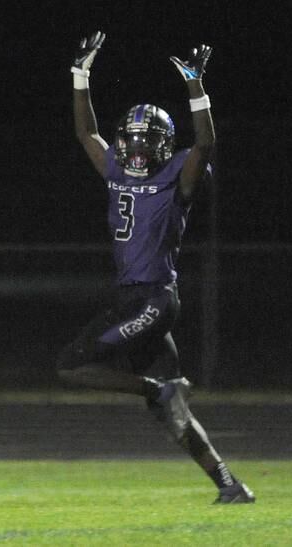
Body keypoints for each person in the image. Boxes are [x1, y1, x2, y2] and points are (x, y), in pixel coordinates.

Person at [59, 32, 254, 504]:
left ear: (166, 147)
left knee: (72, 365)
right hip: (136, 299)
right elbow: (86, 132)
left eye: (150, 143)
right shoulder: (116, 171)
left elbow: (205, 142)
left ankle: (157, 389)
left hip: (154, 298)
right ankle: (230, 485)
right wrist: (79, 75)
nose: (140, 151)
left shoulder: (177, 174)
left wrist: (195, 86)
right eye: (134, 141)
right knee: (169, 406)